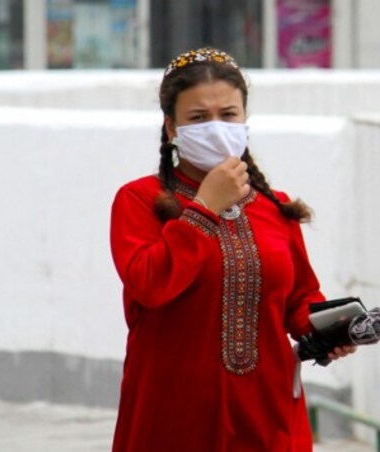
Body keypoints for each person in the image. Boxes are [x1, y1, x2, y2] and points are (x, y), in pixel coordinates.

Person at [109, 48, 355, 451]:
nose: (217, 127)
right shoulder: (138, 200)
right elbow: (149, 284)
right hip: (173, 415)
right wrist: (204, 209)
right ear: (172, 127)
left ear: (245, 119)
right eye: (198, 118)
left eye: (228, 114)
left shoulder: (275, 204)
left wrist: (328, 330)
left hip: (266, 413)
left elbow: (297, 299)